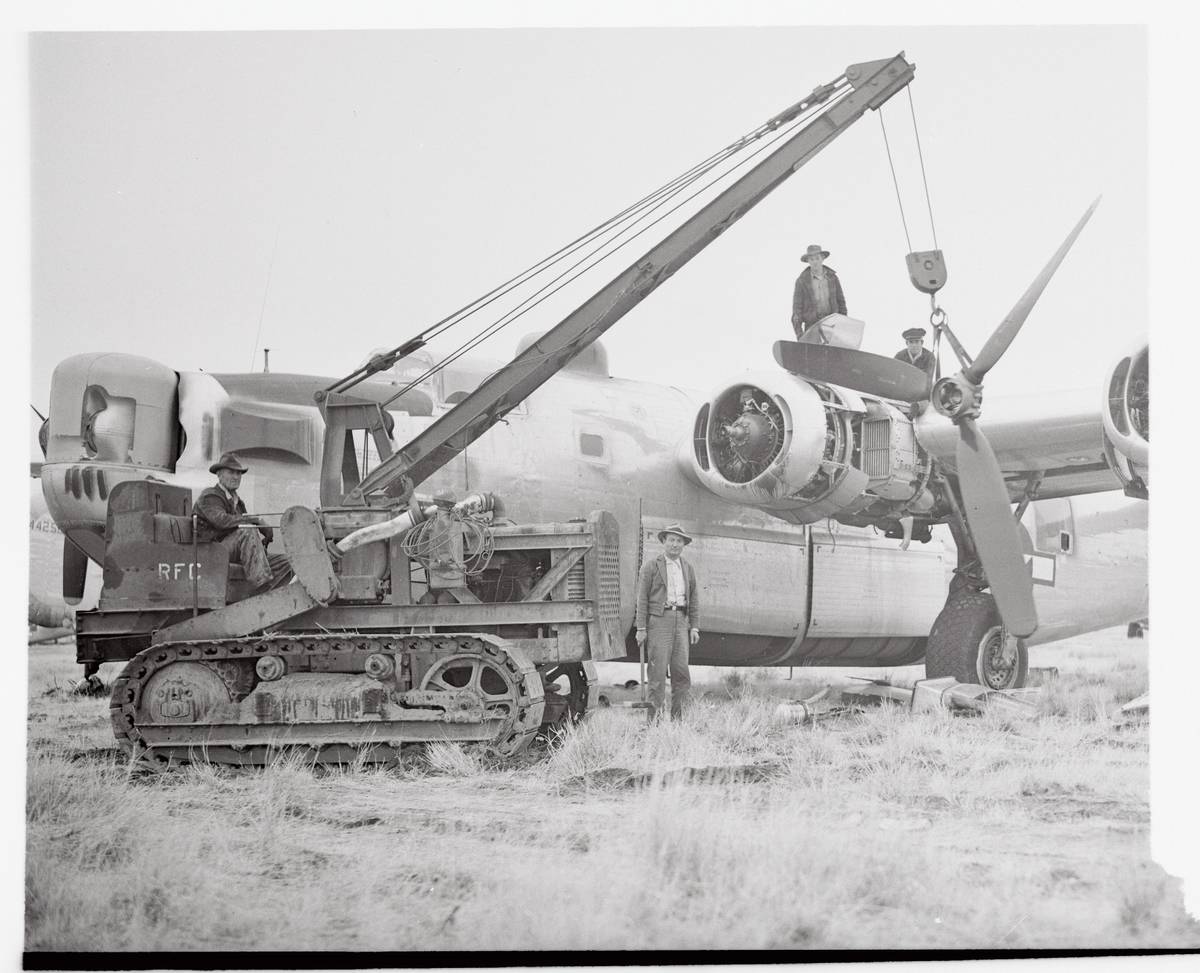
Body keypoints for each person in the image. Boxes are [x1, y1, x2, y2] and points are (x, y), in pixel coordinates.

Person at [195, 452, 290, 590]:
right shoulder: (210, 496)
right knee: (247, 530)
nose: (236, 477)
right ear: (219, 474)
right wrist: (256, 520)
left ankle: (278, 590)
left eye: (239, 473)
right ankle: (261, 585)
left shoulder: (238, 502)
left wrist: (264, 535)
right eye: (231, 472)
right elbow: (222, 521)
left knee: (286, 561)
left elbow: (243, 522)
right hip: (212, 553)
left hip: (231, 552)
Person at [635, 523, 700, 721]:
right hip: (659, 621)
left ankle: (678, 720)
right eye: (671, 540)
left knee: (681, 673)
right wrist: (641, 628)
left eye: (679, 541)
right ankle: (653, 722)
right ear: (664, 541)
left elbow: (694, 598)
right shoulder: (651, 566)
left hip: (681, 622)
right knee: (657, 673)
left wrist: (694, 626)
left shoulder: (687, 568)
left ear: (683, 545)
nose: (675, 544)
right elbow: (642, 598)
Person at [791, 244, 847, 339]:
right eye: (812, 259)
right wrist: (800, 335)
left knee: (834, 352)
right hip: (812, 328)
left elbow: (841, 303)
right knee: (813, 353)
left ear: (822, 258)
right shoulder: (802, 281)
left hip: (832, 326)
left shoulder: (832, 278)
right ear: (808, 261)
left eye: (817, 258)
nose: (815, 262)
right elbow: (797, 310)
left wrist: (842, 325)